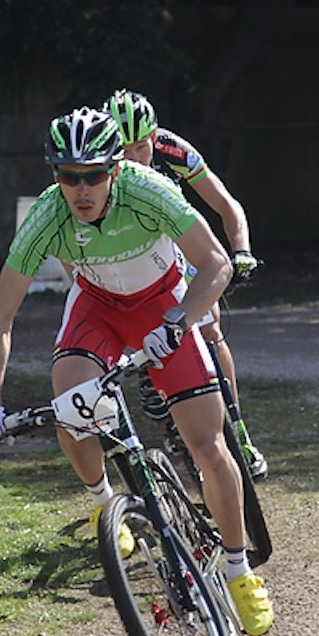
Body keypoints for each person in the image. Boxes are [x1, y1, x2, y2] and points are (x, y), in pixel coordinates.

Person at [0, 106, 274, 636]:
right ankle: (103, 501)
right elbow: (0, 313)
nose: (80, 189)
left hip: (162, 304)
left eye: (93, 175)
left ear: (115, 169)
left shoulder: (148, 190)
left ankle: (237, 570)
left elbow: (217, 263)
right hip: (97, 310)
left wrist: (180, 321)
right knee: (72, 412)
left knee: (208, 446)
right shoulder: (46, 216)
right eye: (68, 176)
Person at [106, 88, 268, 478]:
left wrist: (242, 251)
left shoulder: (171, 149)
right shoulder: (101, 166)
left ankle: (238, 431)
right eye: (124, 149)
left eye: (141, 146)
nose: (133, 158)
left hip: (178, 242)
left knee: (211, 327)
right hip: (134, 253)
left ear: (154, 137)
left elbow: (226, 204)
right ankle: (163, 401)